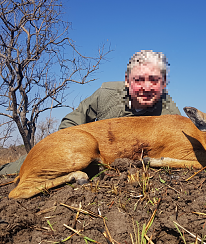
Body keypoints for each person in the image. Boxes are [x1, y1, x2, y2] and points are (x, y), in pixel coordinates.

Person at [0, 50, 180, 175]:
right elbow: (69, 126)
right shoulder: (106, 94)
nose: (146, 87)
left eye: (154, 80)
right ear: (127, 81)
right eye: (139, 79)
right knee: (24, 165)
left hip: (121, 170)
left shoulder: (170, 113)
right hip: (84, 156)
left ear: (164, 83)